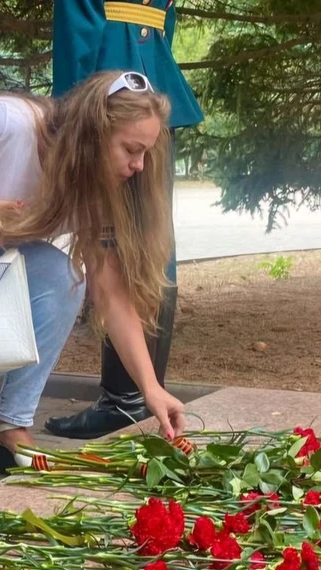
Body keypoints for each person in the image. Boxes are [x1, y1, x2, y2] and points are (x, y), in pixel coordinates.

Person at [0, 71, 187, 481]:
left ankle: (10, 426)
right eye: (132, 149)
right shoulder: (7, 124)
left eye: (145, 153)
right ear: (93, 133)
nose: (139, 166)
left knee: (63, 278)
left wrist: (150, 390)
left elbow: (110, 294)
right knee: (1, 316)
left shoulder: (95, 189)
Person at [44, 0, 205, 440]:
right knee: (149, 243)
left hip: (105, 82)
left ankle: (126, 398)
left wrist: (68, 112)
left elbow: (77, 22)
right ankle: (138, 393)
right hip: (150, 78)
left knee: (124, 241)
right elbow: (163, 20)